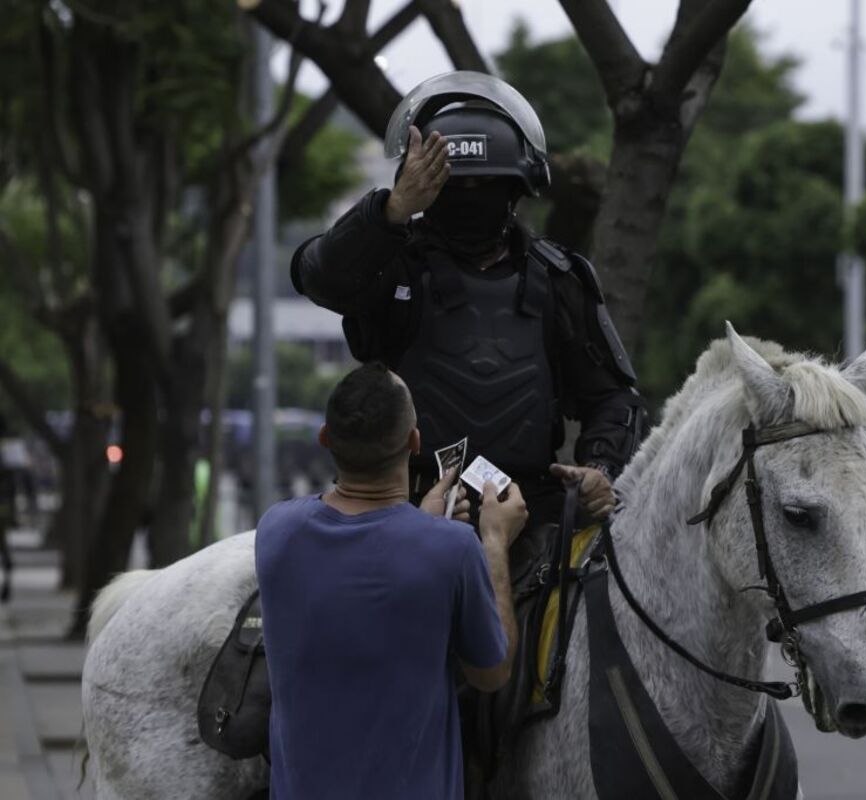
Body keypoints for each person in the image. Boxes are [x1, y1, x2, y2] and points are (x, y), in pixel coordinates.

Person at [290, 71, 645, 547]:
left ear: (517, 190)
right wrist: (391, 211)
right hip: (407, 515)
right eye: (455, 186)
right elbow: (318, 277)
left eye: (487, 186)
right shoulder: (391, 268)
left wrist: (600, 468)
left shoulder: (559, 278)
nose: (470, 198)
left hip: (531, 520)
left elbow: (613, 398)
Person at [255, 362, 528, 799]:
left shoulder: (276, 531)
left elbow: (364, 571)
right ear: (414, 442)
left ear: (325, 438)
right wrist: (494, 542)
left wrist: (421, 526)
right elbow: (492, 674)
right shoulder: (453, 549)